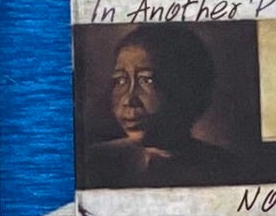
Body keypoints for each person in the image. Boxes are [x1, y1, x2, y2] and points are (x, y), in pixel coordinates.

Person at [92, 25, 240, 186]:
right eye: (121, 80)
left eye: (147, 80)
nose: (129, 99)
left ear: (186, 89)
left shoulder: (226, 171)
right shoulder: (95, 163)